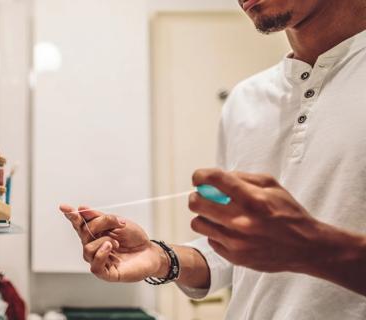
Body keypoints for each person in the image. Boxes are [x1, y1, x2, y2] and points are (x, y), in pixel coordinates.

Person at [60, 0, 366, 318]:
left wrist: (313, 249)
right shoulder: (246, 100)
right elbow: (234, 257)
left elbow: (292, 247)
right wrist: (160, 257)